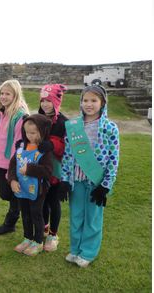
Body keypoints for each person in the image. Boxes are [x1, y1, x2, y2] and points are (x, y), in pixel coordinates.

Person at [58, 85, 120, 267]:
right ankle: (75, 249)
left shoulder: (110, 128)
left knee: (92, 218)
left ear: (102, 103)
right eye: (85, 100)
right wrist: (64, 180)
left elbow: (113, 159)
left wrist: (106, 185)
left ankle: (88, 252)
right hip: (76, 179)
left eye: (94, 100)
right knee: (76, 216)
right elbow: (68, 155)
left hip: (96, 181)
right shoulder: (73, 126)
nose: (89, 104)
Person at [0, 80, 30, 235]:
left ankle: (10, 222)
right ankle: (16, 216)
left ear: (15, 95)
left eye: (8, 94)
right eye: (2, 93)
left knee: (13, 193)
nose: (4, 97)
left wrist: (13, 169)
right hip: (0, 160)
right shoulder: (1, 114)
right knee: (4, 193)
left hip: (11, 162)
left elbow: (19, 144)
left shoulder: (19, 116)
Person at [8, 114, 53, 256]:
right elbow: (12, 165)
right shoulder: (21, 148)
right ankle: (27, 238)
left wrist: (30, 169)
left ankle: (38, 241)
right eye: (27, 132)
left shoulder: (43, 151)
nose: (30, 136)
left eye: (33, 133)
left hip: (37, 190)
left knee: (36, 214)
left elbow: (47, 171)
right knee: (25, 214)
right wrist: (13, 180)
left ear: (42, 132)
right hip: (21, 188)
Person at [38, 84, 68, 252]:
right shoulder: (38, 118)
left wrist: (52, 144)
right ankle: (44, 227)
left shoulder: (63, 122)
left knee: (53, 201)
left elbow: (67, 147)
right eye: (43, 101)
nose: (45, 104)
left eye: (48, 101)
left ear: (56, 101)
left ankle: (53, 234)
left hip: (56, 171)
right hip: (41, 168)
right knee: (42, 200)